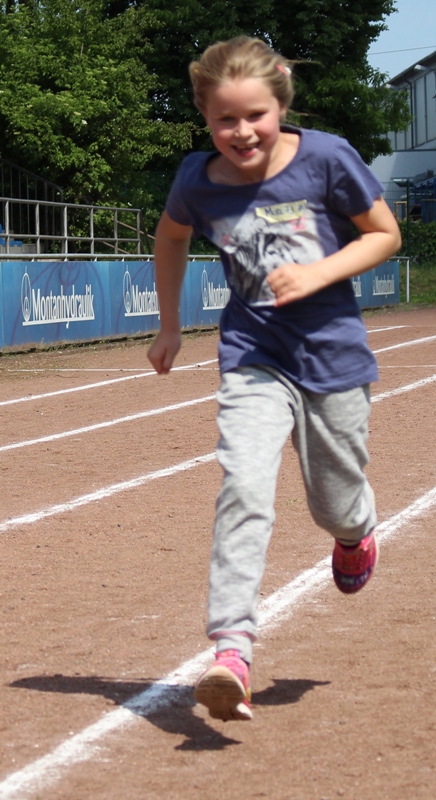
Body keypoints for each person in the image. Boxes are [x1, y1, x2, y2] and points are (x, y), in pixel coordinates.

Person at [147, 36, 401, 722]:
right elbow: (170, 237)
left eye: (254, 115)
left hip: (332, 357)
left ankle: (354, 533)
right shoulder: (197, 179)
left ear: (280, 104)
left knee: (334, 503)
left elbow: (384, 233)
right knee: (245, 486)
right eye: (224, 119)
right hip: (253, 354)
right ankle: (231, 649)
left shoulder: (327, 157)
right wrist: (169, 325)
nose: (241, 132)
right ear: (205, 116)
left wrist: (318, 273)